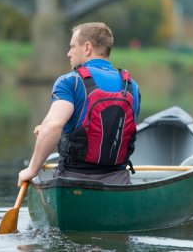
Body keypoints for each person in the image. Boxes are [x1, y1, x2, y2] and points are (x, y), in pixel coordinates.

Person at [18, 22, 141, 186]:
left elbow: (53, 126)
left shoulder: (70, 82)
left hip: (72, 180)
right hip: (119, 181)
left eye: (72, 46)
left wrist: (32, 170)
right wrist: (49, 131)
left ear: (87, 48)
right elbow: (111, 131)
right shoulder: (132, 86)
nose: (69, 53)